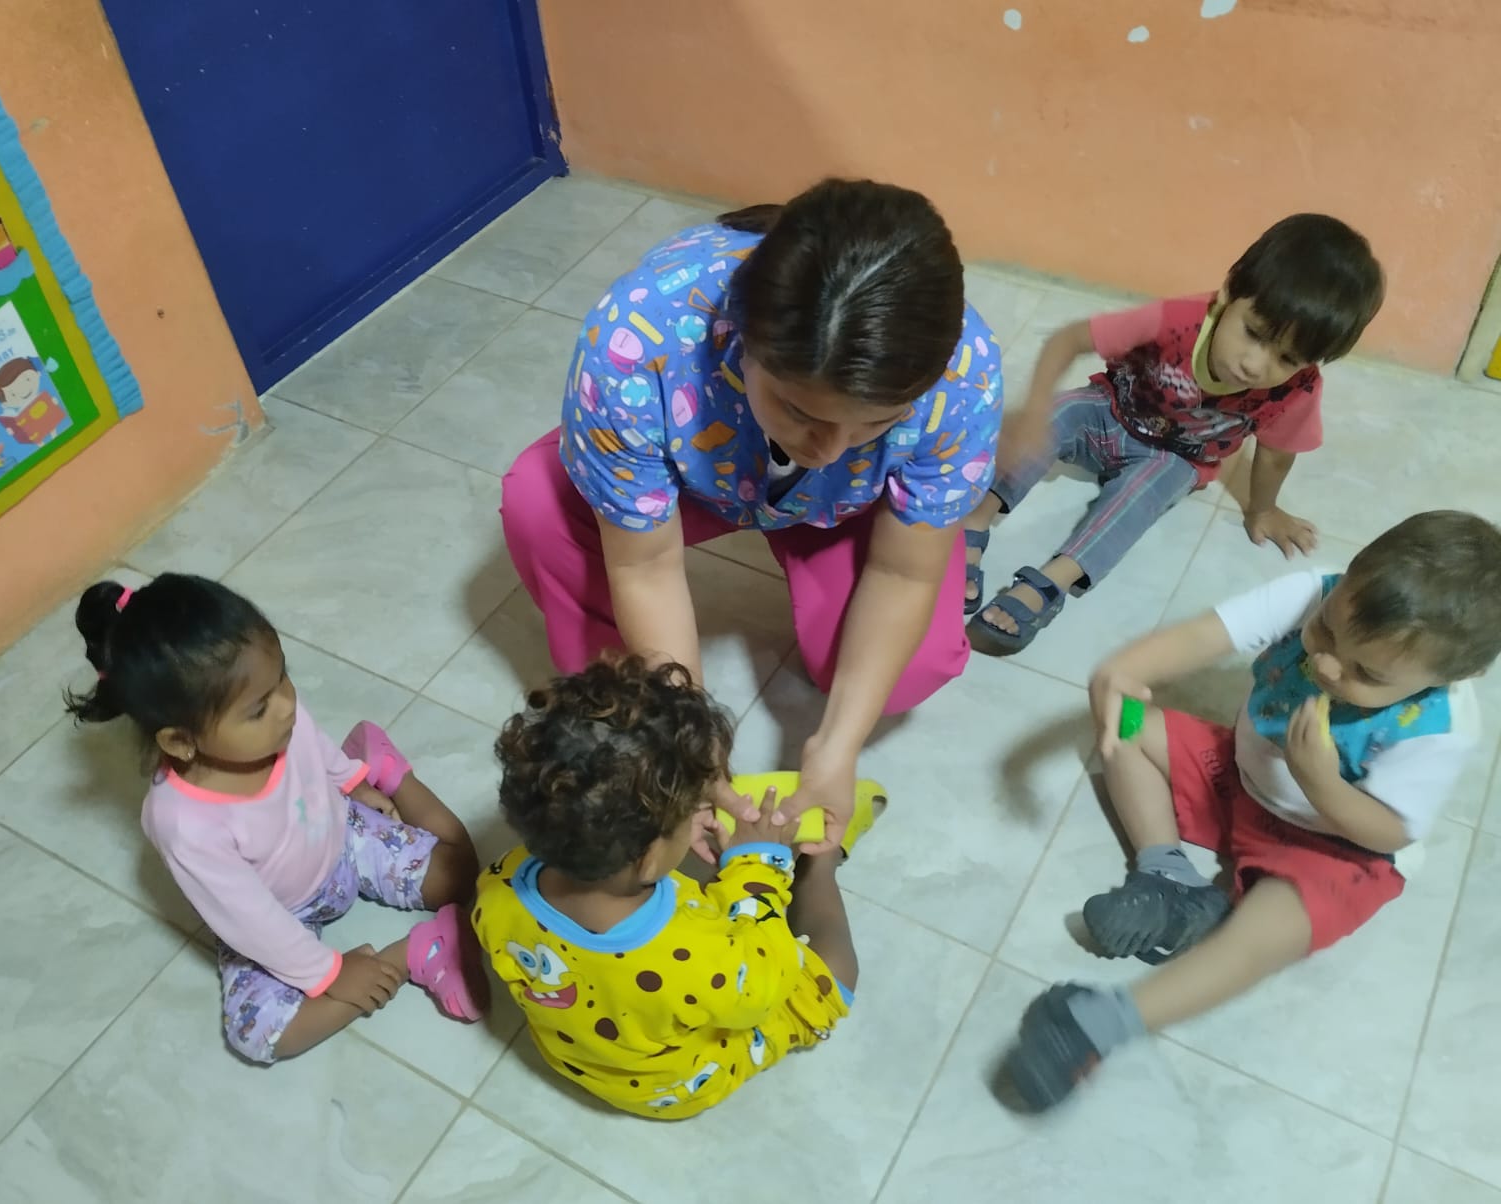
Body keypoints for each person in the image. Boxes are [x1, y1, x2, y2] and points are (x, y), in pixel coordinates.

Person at [501, 177, 1002, 855]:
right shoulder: (635, 343)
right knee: (541, 502)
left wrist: (837, 745)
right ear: (742, 342)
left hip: (847, 508)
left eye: (876, 423)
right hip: (701, 482)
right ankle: (638, 718)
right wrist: (687, 748)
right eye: (798, 410)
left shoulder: (966, 376)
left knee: (911, 667)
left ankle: (816, 511)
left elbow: (903, 574)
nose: (829, 450)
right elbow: (645, 567)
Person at [1001, 511, 1501, 1110]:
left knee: (1266, 935)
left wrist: (1321, 783)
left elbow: (1388, 831)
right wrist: (1124, 670)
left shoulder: (1440, 729)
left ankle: (1101, 1023)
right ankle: (1166, 877)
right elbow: (1203, 636)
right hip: (1240, 777)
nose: (1327, 666)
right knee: (1123, 722)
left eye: (1366, 673)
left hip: (1333, 843)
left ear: (1457, 674)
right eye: (1326, 631)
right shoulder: (1315, 592)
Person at [64, 573, 489, 1063]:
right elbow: (250, 920)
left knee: (463, 875)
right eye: (259, 707)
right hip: (280, 914)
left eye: (283, 676)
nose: (288, 705)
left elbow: (313, 743)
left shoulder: (277, 715)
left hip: (343, 836)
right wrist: (330, 973)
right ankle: (418, 952)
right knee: (259, 1034)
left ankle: (389, 771)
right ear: (181, 741)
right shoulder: (183, 824)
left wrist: (351, 779)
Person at [474, 653, 878, 1119]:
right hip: (673, 1085)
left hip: (579, 1054)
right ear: (648, 857)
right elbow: (763, 985)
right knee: (833, 981)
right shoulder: (700, 962)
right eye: (690, 812)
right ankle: (822, 863)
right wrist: (760, 866)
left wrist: (677, 821)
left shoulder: (497, 884)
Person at [965, 213, 1385, 656]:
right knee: (1061, 412)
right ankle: (974, 520)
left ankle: (1052, 582)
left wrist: (1263, 509)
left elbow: (1277, 452)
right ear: (1229, 292)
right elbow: (1068, 340)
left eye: (1287, 358)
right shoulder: (1174, 322)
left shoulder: (1297, 390)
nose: (1255, 365)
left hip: (1176, 456)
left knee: (1143, 496)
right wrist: (1034, 414)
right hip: (1108, 410)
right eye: (1254, 334)